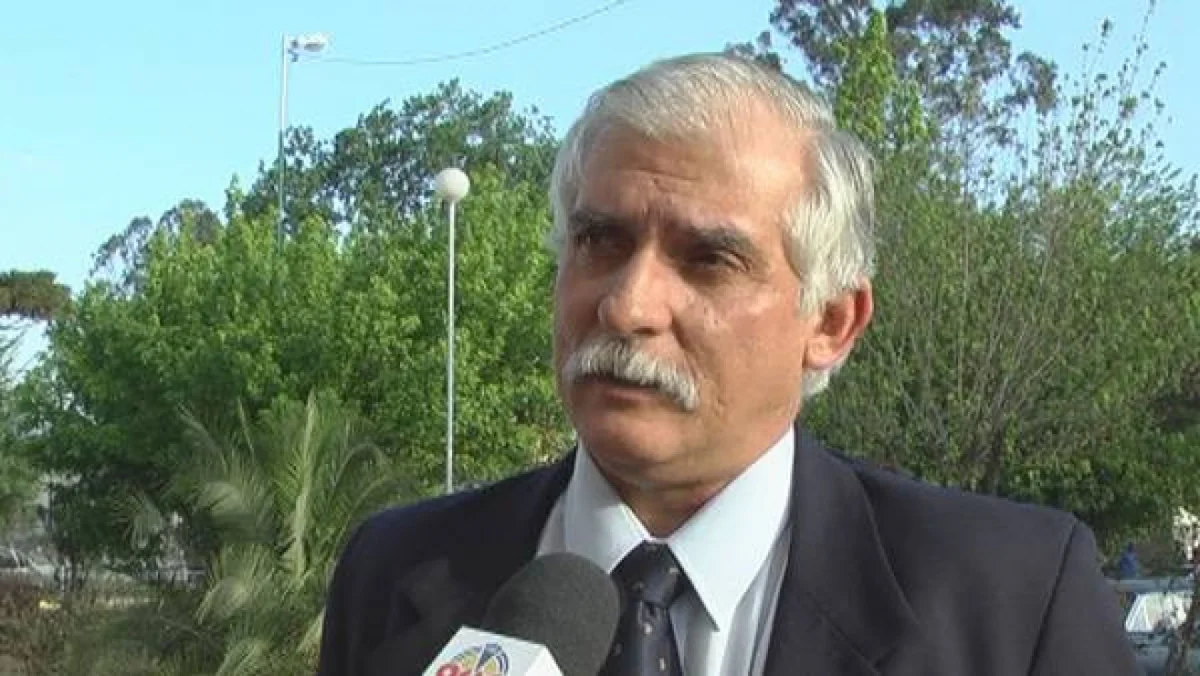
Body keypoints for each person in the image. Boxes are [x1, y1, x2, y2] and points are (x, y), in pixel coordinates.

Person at [317, 53, 1139, 675]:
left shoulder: (1013, 600)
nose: (628, 306)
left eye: (709, 259)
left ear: (831, 322)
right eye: (599, 240)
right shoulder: (394, 572)